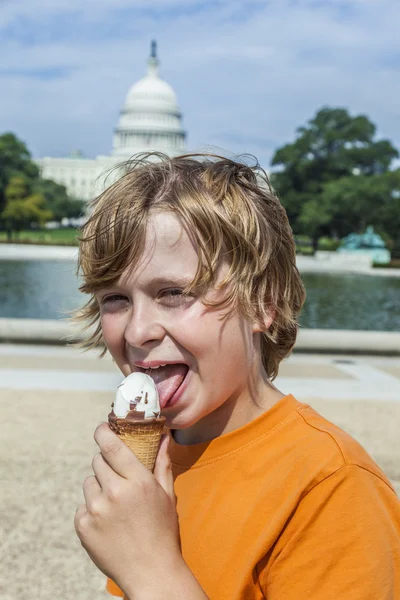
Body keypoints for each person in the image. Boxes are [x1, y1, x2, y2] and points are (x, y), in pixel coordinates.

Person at [73, 152, 400, 600]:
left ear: (263, 303)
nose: (137, 330)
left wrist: (151, 568)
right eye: (115, 298)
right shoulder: (162, 457)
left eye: (173, 293)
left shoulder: (331, 487)